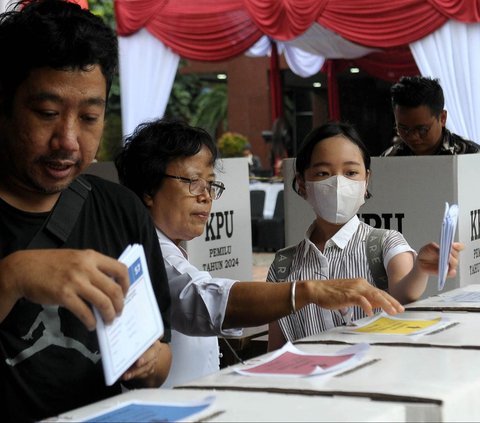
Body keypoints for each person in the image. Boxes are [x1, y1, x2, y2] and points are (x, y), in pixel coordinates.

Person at [114, 118, 405, 388]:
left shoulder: (385, 240)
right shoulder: (147, 256)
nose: (205, 196)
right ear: (149, 189)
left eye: (210, 184)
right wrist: (308, 291)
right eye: (193, 182)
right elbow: (204, 301)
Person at [0, 1, 172, 421]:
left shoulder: (121, 209)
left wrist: (152, 362)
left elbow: (162, 354)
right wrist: (13, 276)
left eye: (90, 116)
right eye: (47, 114)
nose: (69, 140)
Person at [267, 122, 464, 351]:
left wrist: (420, 268)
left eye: (351, 172)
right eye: (323, 173)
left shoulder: (385, 242)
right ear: (302, 183)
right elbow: (276, 349)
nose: (339, 183)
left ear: (366, 180)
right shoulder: (283, 265)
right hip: (307, 383)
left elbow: (404, 292)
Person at [381, 75, 479, 156]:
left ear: (442, 118)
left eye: (422, 129)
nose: (412, 137)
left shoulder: (471, 155)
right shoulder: (390, 158)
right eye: (403, 128)